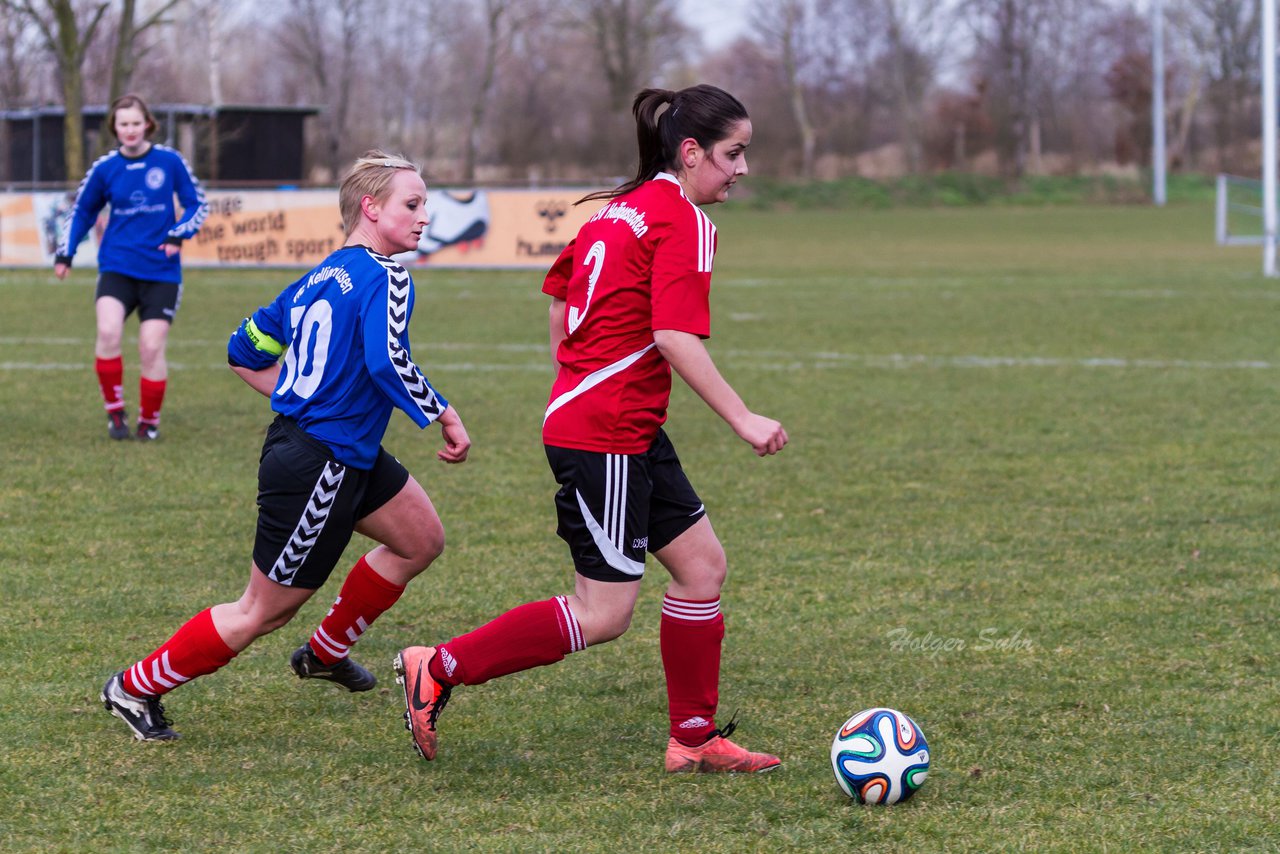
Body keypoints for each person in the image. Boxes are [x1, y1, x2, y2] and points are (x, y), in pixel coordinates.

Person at [394, 85, 788, 774]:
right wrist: (743, 417)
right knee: (602, 612)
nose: (742, 169)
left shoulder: (619, 211)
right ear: (691, 153)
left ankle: (692, 738)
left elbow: (557, 293)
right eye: (733, 154)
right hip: (604, 433)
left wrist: (576, 379)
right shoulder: (682, 221)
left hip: (617, 425)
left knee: (701, 570)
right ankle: (439, 665)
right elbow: (673, 335)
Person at [100, 151, 471, 741]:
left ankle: (324, 654)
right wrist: (445, 414)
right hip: (319, 462)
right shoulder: (386, 274)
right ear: (371, 208)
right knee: (261, 611)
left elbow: (241, 349)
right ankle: (134, 686)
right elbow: (387, 361)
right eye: (413, 203)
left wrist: (298, 393)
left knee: (420, 539)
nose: (426, 215)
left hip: (344, 451)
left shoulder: (320, 276)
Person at [55, 93, 210, 442]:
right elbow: (83, 211)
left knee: (150, 348)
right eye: (123, 124)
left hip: (161, 272)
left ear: (147, 125)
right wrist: (65, 253)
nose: (129, 130)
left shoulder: (170, 162)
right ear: (115, 128)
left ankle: (148, 422)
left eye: (136, 123)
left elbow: (196, 204)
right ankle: (115, 414)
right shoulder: (105, 168)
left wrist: (177, 233)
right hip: (117, 267)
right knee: (108, 333)